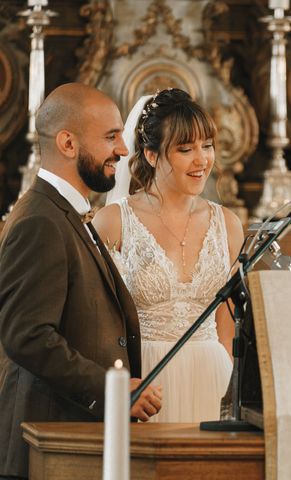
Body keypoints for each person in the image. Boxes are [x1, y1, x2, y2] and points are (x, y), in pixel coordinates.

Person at [0, 83, 162, 479]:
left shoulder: (68, 213)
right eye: (110, 136)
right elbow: (27, 334)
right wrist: (111, 388)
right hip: (47, 442)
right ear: (68, 143)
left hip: (73, 438)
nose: (123, 150)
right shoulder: (40, 220)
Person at [93, 88, 243, 423]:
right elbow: (97, 321)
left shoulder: (228, 225)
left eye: (207, 146)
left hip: (213, 376)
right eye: (185, 149)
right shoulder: (114, 222)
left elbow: (226, 325)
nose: (201, 159)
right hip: (144, 379)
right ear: (150, 154)